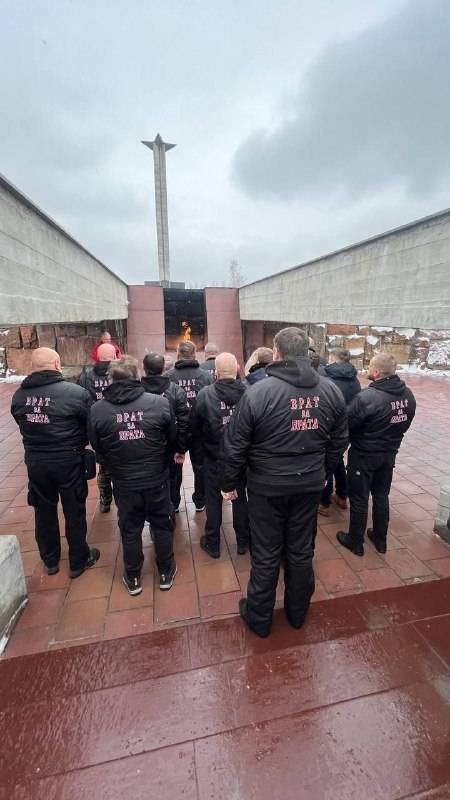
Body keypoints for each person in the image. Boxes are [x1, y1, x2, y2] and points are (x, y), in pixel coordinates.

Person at [221, 327, 348, 638]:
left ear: (277, 353)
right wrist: (322, 470)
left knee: (266, 553)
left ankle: (260, 617)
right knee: (300, 549)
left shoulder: (258, 392)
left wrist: (229, 482)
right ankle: (297, 612)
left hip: (268, 487)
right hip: (307, 484)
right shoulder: (331, 391)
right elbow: (339, 440)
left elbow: (235, 445)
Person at [89, 356, 177, 595]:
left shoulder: (98, 410)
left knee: (130, 528)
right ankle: (165, 570)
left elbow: (98, 447)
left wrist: (114, 466)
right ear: (137, 376)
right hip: (154, 477)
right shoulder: (159, 403)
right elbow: (172, 439)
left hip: (125, 480)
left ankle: (134, 575)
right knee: (161, 523)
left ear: (112, 379)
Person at [11, 347, 99, 578]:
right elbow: (90, 425)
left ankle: (50, 559)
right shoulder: (76, 393)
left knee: (43, 509)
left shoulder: (19, 395)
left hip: (36, 461)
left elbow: (19, 421)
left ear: (33, 367)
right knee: (74, 509)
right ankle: (78, 561)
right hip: (68, 459)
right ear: (57, 364)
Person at [337, 352, 416, 556]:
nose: (368, 369)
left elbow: (347, 424)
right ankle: (380, 538)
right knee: (381, 495)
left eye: (370, 366)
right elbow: (406, 421)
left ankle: (355, 541)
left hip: (364, 456)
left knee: (360, 498)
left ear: (377, 372)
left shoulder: (367, 397)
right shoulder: (408, 395)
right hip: (389, 454)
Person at [192, 352, 249, 558]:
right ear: (237, 369)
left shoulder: (205, 395)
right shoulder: (249, 393)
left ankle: (213, 543)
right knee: (240, 498)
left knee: (213, 499)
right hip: (240, 457)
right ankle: (243, 541)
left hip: (214, 455)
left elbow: (194, 427)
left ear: (216, 372)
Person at [166, 340, 214, 511]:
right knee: (200, 466)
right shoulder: (206, 376)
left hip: (176, 428)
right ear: (194, 355)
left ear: (178, 355)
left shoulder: (168, 377)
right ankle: (200, 500)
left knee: (174, 467)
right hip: (199, 428)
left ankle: (173, 502)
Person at [141, 352, 190, 510]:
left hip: (146, 445)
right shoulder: (176, 390)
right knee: (174, 476)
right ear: (163, 368)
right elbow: (183, 422)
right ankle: (173, 504)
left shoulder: (137, 390)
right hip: (171, 445)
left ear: (144, 368)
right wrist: (181, 449)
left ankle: (157, 507)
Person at [318, 347, 361, 515]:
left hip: (329, 425)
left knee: (326, 461)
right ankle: (342, 495)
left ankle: (324, 502)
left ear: (333, 359)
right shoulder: (354, 379)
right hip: (347, 427)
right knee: (337, 459)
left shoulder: (327, 378)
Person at [79, 342, 117, 513]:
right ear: (114, 356)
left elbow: (81, 401)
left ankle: (105, 500)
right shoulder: (119, 373)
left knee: (104, 464)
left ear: (98, 357)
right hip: (118, 422)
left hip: (97, 425)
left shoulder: (86, 377)